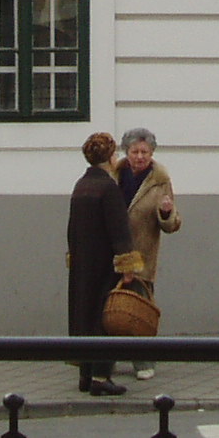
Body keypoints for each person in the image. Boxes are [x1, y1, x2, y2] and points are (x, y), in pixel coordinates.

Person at [67, 130, 144, 396]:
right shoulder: (108, 188)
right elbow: (119, 230)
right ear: (110, 157)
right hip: (104, 265)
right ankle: (100, 377)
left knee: (83, 316)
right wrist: (127, 267)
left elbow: (71, 228)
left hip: (82, 264)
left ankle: (85, 374)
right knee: (105, 319)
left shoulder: (81, 185)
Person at [115, 128, 181, 379]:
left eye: (145, 152)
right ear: (127, 152)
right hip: (113, 254)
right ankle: (106, 359)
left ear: (152, 153)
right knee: (110, 308)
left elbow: (172, 225)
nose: (140, 157)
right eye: (135, 152)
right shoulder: (115, 174)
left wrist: (166, 212)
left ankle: (143, 362)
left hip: (142, 257)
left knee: (139, 311)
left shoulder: (160, 181)